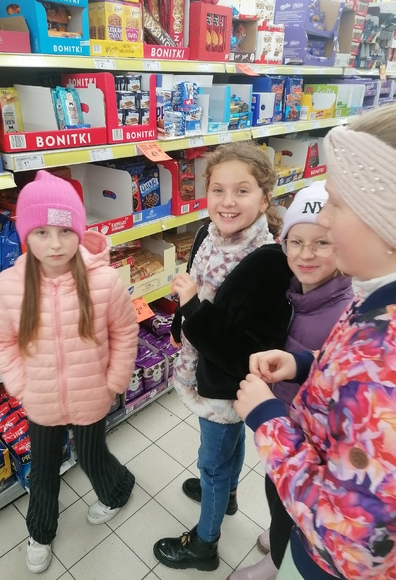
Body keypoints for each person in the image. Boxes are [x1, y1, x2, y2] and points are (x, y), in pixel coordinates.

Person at [234, 104, 396, 580]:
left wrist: (268, 420)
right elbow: (355, 367)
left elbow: (355, 544)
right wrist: (305, 363)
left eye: (338, 204)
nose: (323, 219)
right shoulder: (377, 299)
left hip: (323, 566)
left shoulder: (387, 360)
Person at [0, 170, 138, 574]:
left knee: (92, 456)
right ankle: (40, 531)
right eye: (42, 232)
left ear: (79, 231)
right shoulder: (10, 286)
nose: (55, 244)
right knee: (43, 469)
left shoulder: (103, 281)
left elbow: (124, 331)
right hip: (41, 400)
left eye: (65, 231)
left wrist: (114, 380)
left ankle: (117, 490)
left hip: (92, 393)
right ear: (25, 235)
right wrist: (21, 384)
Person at [153, 141, 294, 572]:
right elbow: (191, 283)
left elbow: (246, 353)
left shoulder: (269, 264)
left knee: (211, 462)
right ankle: (228, 494)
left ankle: (205, 545)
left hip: (226, 385)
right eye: (218, 190)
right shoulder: (206, 233)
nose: (227, 202)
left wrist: (193, 309)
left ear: (264, 199)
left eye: (242, 191)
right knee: (228, 448)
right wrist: (179, 325)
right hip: (203, 370)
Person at [233, 181, 353, 580]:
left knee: (287, 504)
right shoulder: (293, 291)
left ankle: (276, 560)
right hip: (284, 430)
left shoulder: (343, 314)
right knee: (276, 493)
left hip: (302, 445)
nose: (305, 254)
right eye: (295, 242)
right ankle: (278, 535)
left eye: (321, 243)